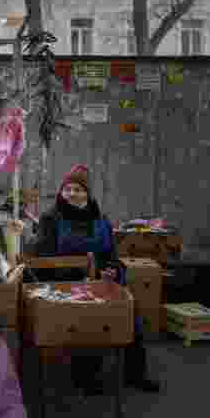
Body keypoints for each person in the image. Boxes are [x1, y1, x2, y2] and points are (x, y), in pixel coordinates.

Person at [28, 164, 161, 397]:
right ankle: (86, 377)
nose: (72, 193)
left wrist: (111, 271)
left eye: (78, 189)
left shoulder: (101, 220)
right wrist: (72, 277)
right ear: (61, 192)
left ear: (87, 194)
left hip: (101, 280)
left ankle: (135, 374)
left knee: (129, 312)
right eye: (67, 189)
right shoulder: (50, 219)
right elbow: (41, 258)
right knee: (85, 316)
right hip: (64, 284)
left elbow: (112, 257)